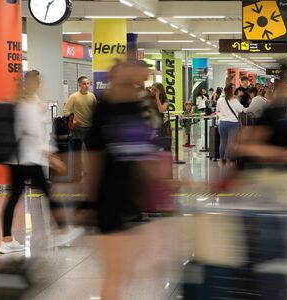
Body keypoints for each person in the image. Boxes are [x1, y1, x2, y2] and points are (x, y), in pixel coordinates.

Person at [85, 61, 159, 300]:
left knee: (124, 270)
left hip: (130, 198)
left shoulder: (135, 107)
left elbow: (142, 157)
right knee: (115, 272)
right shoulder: (106, 108)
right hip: (109, 197)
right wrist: (89, 201)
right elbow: (95, 160)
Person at [0, 70, 75, 254]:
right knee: (49, 194)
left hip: (17, 159)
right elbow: (34, 133)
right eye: (38, 81)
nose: (40, 84)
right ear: (34, 83)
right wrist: (51, 155)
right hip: (30, 158)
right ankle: (63, 231)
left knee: (14, 196)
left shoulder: (19, 102)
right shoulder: (29, 103)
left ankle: (7, 240)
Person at [64, 76, 97, 150]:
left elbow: (96, 111)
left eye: (88, 83)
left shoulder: (92, 96)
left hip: (90, 128)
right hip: (78, 128)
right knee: (77, 151)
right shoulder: (74, 96)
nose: (86, 86)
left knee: (90, 151)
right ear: (79, 85)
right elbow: (66, 110)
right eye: (84, 84)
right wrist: (73, 121)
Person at [217, 84, 244, 166]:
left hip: (222, 123)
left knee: (223, 142)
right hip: (233, 124)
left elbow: (218, 110)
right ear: (232, 92)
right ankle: (229, 161)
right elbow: (241, 109)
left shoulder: (220, 100)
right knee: (231, 143)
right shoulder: (235, 101)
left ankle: (221, 160)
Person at [148, 83, 174, 151]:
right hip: (152, 125)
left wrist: (157, 97)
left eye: (154, 90)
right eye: (151, 88)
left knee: (165, 147)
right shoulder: (149, 98)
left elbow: (161, 110)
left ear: (160, 91)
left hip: (164, 126)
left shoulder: (165, 100)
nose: (152, 91)